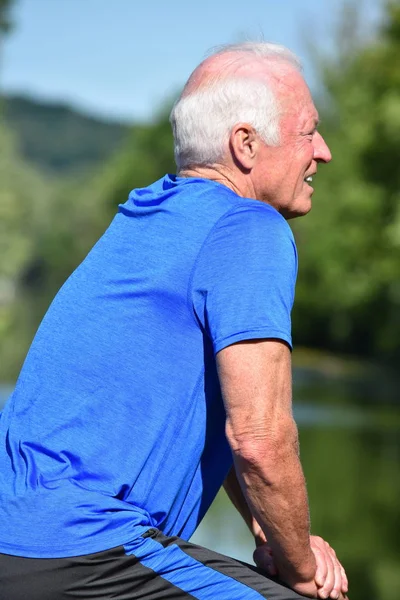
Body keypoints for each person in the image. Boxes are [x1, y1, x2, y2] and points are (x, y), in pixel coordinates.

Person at [0, 42, 348, 600]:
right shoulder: (249, 227)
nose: (324, 152)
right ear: (246, 144)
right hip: (82, 546)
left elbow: (227, 421)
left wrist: (274, 533)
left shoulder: (146, 216)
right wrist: (303, 567)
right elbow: (260, 438)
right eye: (309, 131)